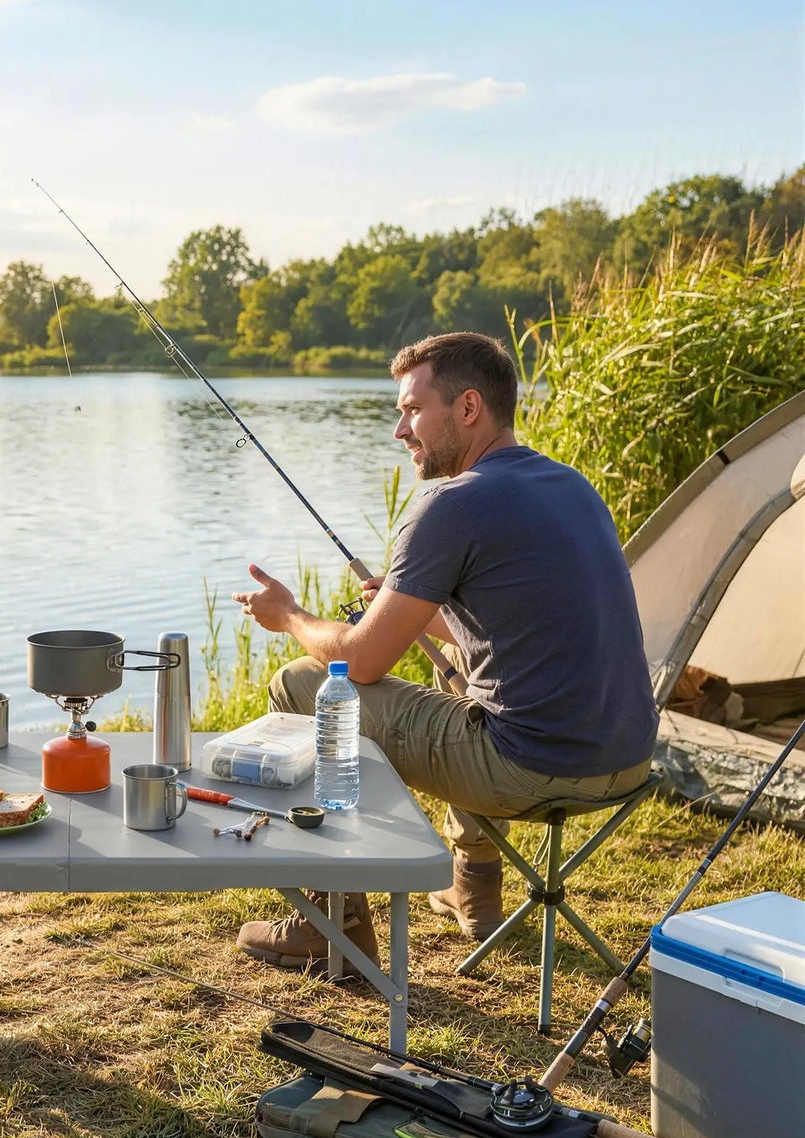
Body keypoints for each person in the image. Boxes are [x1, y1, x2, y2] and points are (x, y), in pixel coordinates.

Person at [231, 331, 657, 975]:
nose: (400, 430)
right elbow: (517, 634)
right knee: (455, 668)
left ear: (467, 409)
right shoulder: (571, 485)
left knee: (302, 683)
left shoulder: (448, 504)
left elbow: (361, 663)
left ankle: (329, 922)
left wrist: (288, 614)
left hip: (532, 769)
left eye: (412, 410)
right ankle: (474, 883)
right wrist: (412, 608)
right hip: (626, 761)